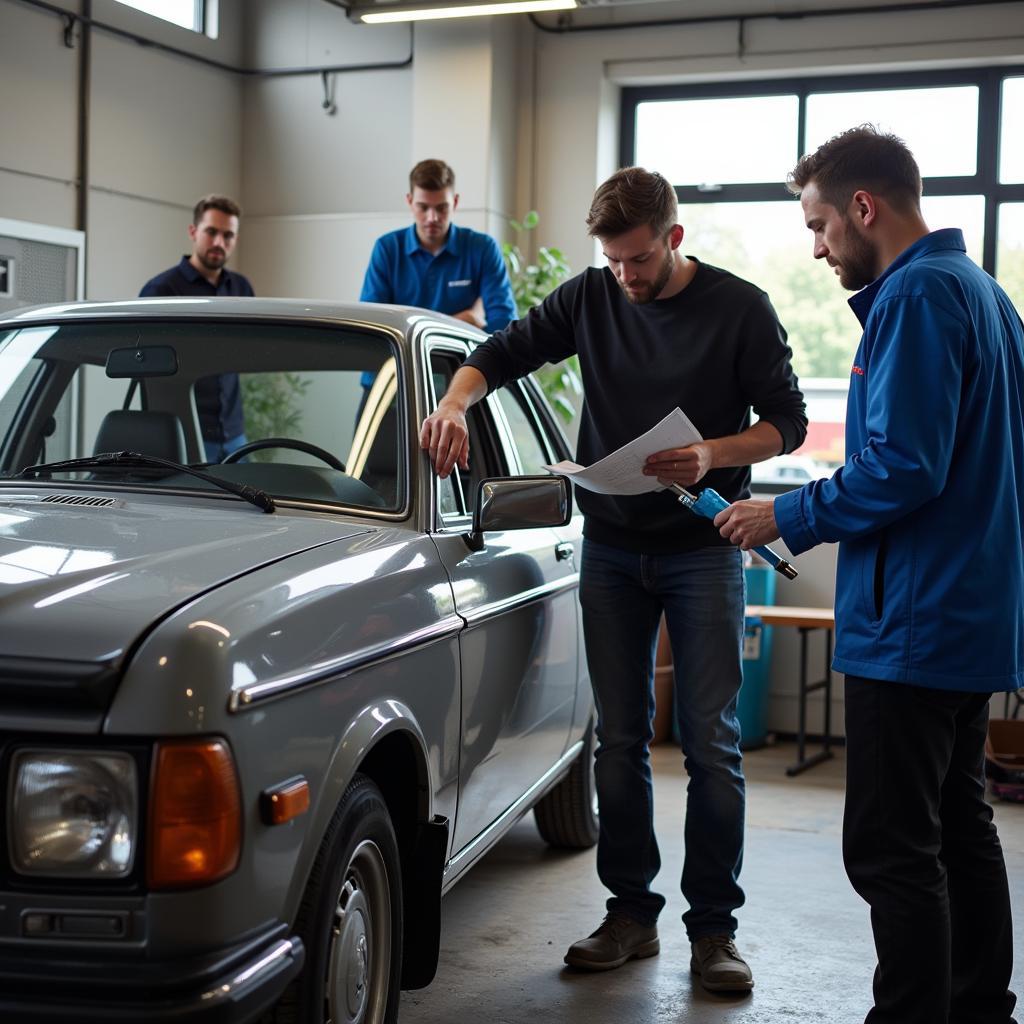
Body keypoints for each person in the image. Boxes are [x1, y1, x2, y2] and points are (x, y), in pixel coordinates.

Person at [420, 166, 807, 992]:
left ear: (673, 237)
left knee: (710, 743)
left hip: (703, 549)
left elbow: (788, 424)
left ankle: (714, 934)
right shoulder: (591, 297)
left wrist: (711, 453)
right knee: (620, 740)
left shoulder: (739, 307)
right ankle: (630, 915)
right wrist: (455, 404)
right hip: (612, 548)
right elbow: (498, 353)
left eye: (638, 260)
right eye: (613, 261)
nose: (625, 277)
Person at [715, 126, 1022, 1024]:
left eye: (818, 226)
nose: (815, 248)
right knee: (959, 830)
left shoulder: (916, 297)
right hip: (971, 616)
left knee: (892, 850)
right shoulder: (984, 293)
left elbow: (904, 465)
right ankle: (977, 1008)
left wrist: (787, 513)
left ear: (863, 207)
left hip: (915, 625)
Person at [140, 194, 253, 463]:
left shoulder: (241, 288)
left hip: (235, 434)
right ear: (193, 232)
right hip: (183, 434)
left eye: (228, 236)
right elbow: (144, 367)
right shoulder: (161, 290)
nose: (219, 243)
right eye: (211, 232)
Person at [360, 158, 516, 333]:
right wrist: (463, 320)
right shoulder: (387, 249)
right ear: (410, 202)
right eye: (423, 207)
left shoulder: (483, 248)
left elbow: (503, 324)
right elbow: (373, 326)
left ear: (455, 203)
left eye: (442, 208)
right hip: (402, 359)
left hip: (470, 358)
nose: (432, 217)